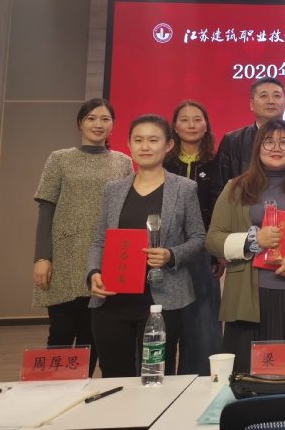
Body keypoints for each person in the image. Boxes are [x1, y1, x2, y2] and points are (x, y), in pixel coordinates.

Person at [206, 119, 285, 373]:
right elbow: (213, 239)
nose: (277, 148)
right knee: (247, 377)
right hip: (247, 298)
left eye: (284, 142)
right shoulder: (235, 187)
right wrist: (253, 241)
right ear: (257, 147)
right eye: (269, 142)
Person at [87, 114, 206, 378]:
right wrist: (93, 272)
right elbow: (100, 240)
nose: (145, 146)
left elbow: (199, 238)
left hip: (162, 300)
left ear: (168, 145)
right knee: (114, 376)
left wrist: (171, 254)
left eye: (153, 140)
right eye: (138, 140)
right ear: (129, 144)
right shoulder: (113, 189)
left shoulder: (185, 188)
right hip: (112, 298)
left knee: (156, 376)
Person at [32, 98, 133, 375]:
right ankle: (55, 389)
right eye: (91, 118)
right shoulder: (59, 158)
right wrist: (42, 257)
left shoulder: (123, 162)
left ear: (112, 125)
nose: (98, 124)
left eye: (105, 119)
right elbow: (46, 209)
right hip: (65, 255)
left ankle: (82, 387)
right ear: (80, 123)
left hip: (104, 257)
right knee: (61, 331)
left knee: (93, 334)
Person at [163, 100, 223, 376]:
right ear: (174, 126)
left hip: (203, 251)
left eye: (197, 119)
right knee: (166, 323)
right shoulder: (164, 162)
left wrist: (216, 254)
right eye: (184, 120)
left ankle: (199, 384)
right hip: (166, 252)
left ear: (206, 125)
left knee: (202, 327)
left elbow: (221, 209)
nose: (191, 125)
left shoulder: (217, 162)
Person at [212, 78, 285, 204]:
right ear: (251, 104)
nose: (271, 101)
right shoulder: (232, 141)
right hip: (243, 211)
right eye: (263, 96)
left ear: (284, 103)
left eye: (277, 96)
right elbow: (218, 189)